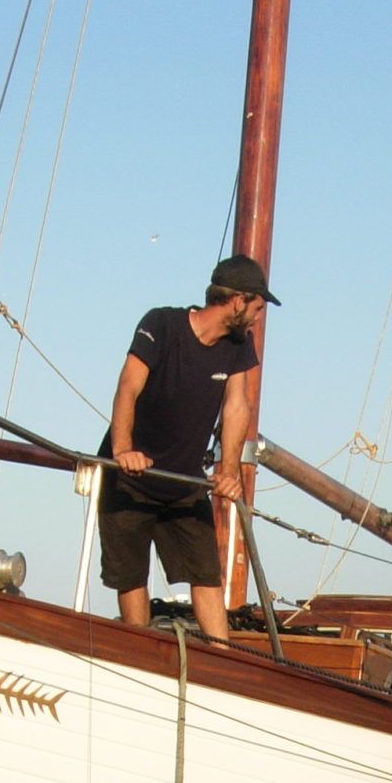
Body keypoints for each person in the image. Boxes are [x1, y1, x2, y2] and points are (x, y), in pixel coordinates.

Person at [98, 254, 276, 644]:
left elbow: (236, 406)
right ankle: (139, 654)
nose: (260, 317)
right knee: (130, 577)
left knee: (206, 575)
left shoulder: (238, 346)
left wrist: (228, 472)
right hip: (132, 476)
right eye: (259, 307)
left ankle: (221, 661)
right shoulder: (160, 324)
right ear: (238, 300)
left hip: (183, 480)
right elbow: (128, 386)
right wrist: (123, 449)